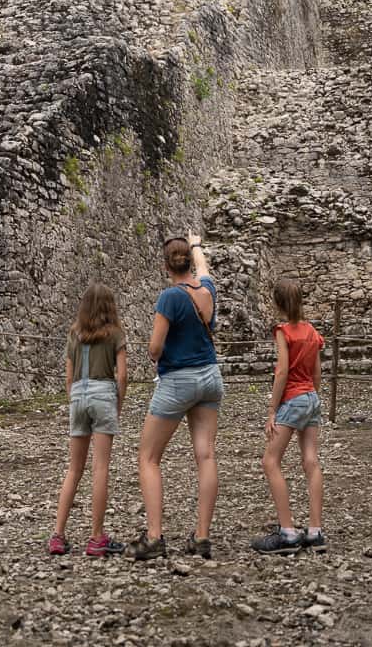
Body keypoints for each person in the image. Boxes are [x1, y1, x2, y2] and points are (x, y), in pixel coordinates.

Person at [126, 231, 223, 560]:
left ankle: (154, 537)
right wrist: (197, 245)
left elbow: (155, 348)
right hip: (210, 376)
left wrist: (156, 353)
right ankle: (202, 536)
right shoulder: (207, 291)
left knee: (149, 457)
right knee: (206, 456)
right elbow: (205, 270)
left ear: (166, 265)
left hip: (178, 381)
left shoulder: (169, 297)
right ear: (189, 262)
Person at [48, 282, 127, 556]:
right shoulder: (115, 334)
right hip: (103, 393)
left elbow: (68, 377)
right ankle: (96, 537)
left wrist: (74, 399)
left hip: (78, 395)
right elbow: (123, 375)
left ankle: (58, 534)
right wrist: (118, 404)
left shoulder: (74, 334)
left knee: (74, 469)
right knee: (100, 468)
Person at [251, 278, 327, 555]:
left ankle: (288, 532)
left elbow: (282, 371)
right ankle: (316, 531)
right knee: (311, 461)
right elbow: (318, 373)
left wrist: (272, 410)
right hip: (311, 398)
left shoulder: (283, 330)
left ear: (277, 303)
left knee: (270, 461)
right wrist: (312, 398)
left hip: (293, 399)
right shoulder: (312, 332)